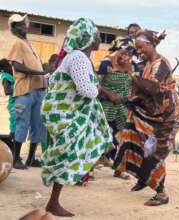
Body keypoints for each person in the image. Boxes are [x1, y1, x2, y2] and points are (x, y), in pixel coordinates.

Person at [41, 18, 113, 217]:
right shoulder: (79, 58)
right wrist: (99, 89)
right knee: (68, 153)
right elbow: (85, 89)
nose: (100, 38)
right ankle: (53, 203)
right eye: (98, 34)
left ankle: (55, 200)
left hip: (62, 111)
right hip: (63, 113)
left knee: (69, 151)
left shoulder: (76, 57)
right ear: (90, 38)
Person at [113, 31, 179, 206]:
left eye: (141, 47)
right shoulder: (147, 65)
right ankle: (144, 177)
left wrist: (130, 72)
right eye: (137, 48)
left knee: (155, 152)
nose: (139, 51)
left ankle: (162, 193)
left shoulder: (162, 64)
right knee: (136, 138)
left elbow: (152, 88)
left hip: (168, 116)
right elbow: (141, 89)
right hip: (153, 114)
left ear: (151, 44)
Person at [7, 14, 47, 169]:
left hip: (37, 89)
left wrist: (42, 73)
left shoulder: (28, 43)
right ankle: (16, 159)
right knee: (22, 124)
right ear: (14, 28)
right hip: (24, 89)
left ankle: (30, 159)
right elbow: (17, 66)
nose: (23, 27)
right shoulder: (17, 43)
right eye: (19, 25)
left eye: (24, 24)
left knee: (38, 125)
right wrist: (40, 73)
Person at [97, 37, 135, 179]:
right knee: (101, 136)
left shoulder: (132, 67)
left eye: (129, 54)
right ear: (117, 51)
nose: (126, 57)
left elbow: (134, 84)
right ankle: (89, 170)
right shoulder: (106, 63)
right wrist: (108, 93)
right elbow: (96, 84)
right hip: (107, 107)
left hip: (123, 108)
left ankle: (119, 169)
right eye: (123, 53)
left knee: (124, 138)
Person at [0, 59, 15, 137]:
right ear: (3, 69)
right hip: (14, 104)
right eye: (8, 66)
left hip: (17, 102)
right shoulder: (6, 76)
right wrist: (20, 89)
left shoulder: (11, 73)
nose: (10, 67)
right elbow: (7, 91)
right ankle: (11, 143)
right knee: (14, 127)